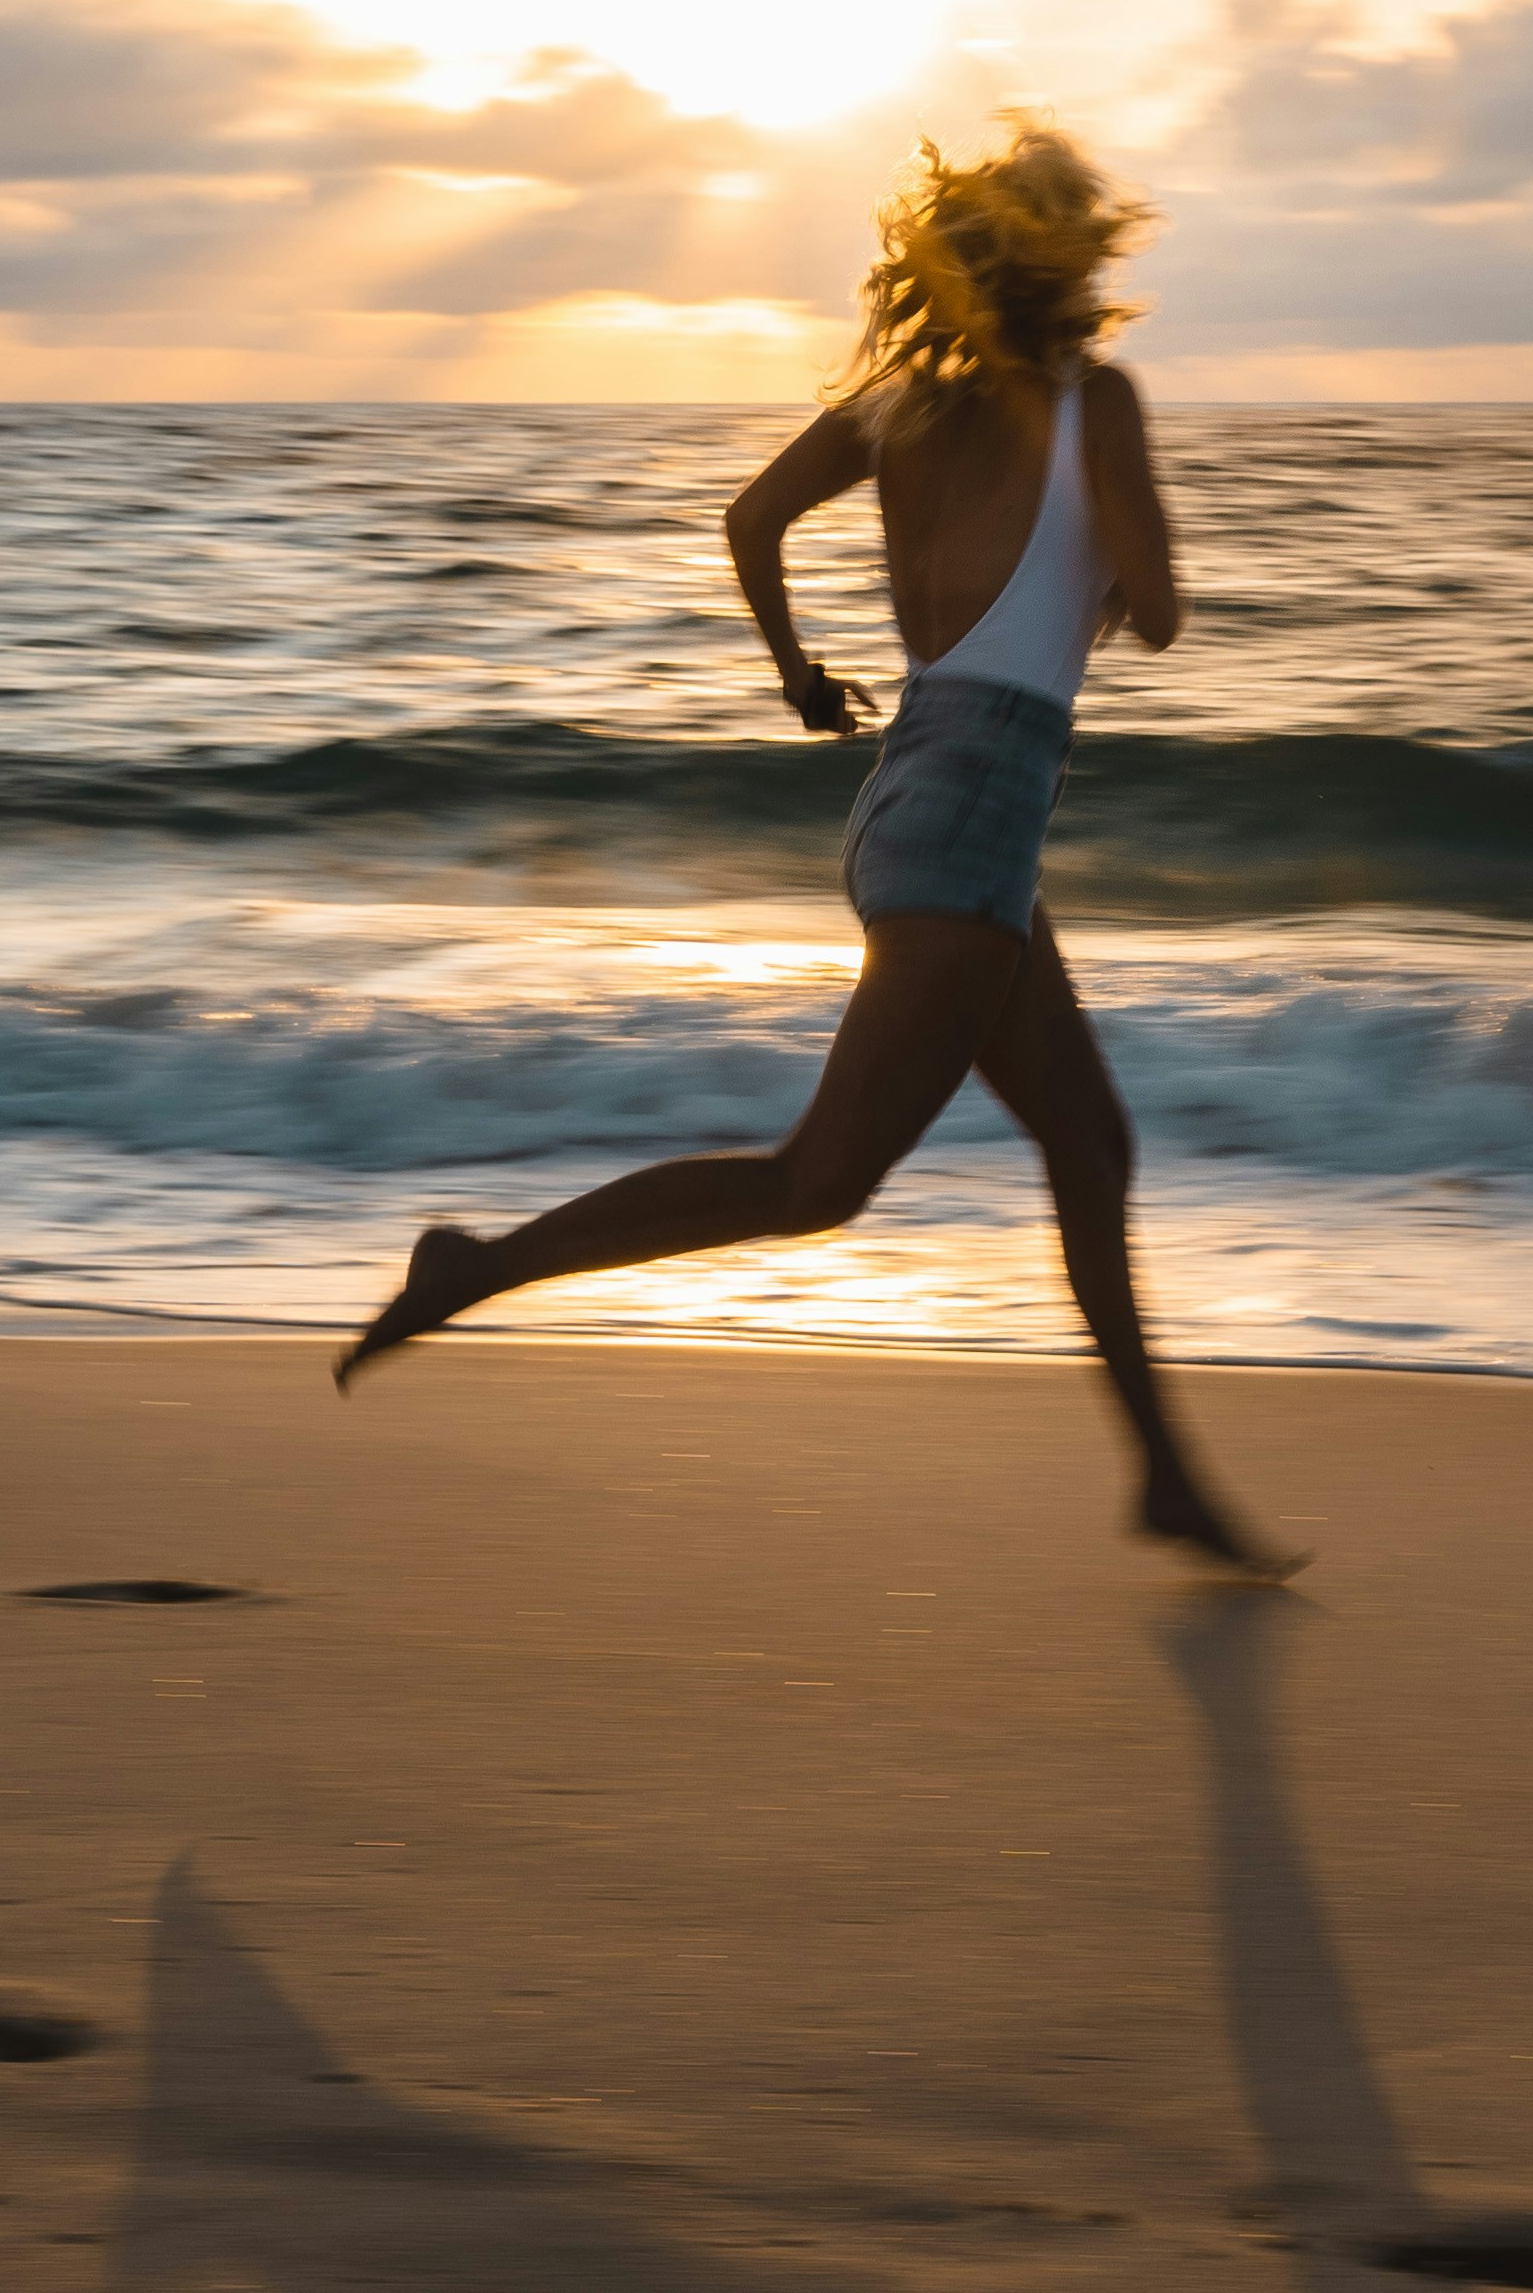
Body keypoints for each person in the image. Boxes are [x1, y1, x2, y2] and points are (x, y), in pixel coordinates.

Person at [335, 119, 1293, 1579]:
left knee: (1090, 1148)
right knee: (818, 1183)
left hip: (915, 800)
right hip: (971, 828)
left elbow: (751, 517)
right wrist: (1108, 558)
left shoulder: (901, 407)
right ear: (1074, 265)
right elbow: (1158, 609)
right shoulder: (1095, 402)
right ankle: (483, 1265)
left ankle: (1163, 1477)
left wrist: (797, 678)